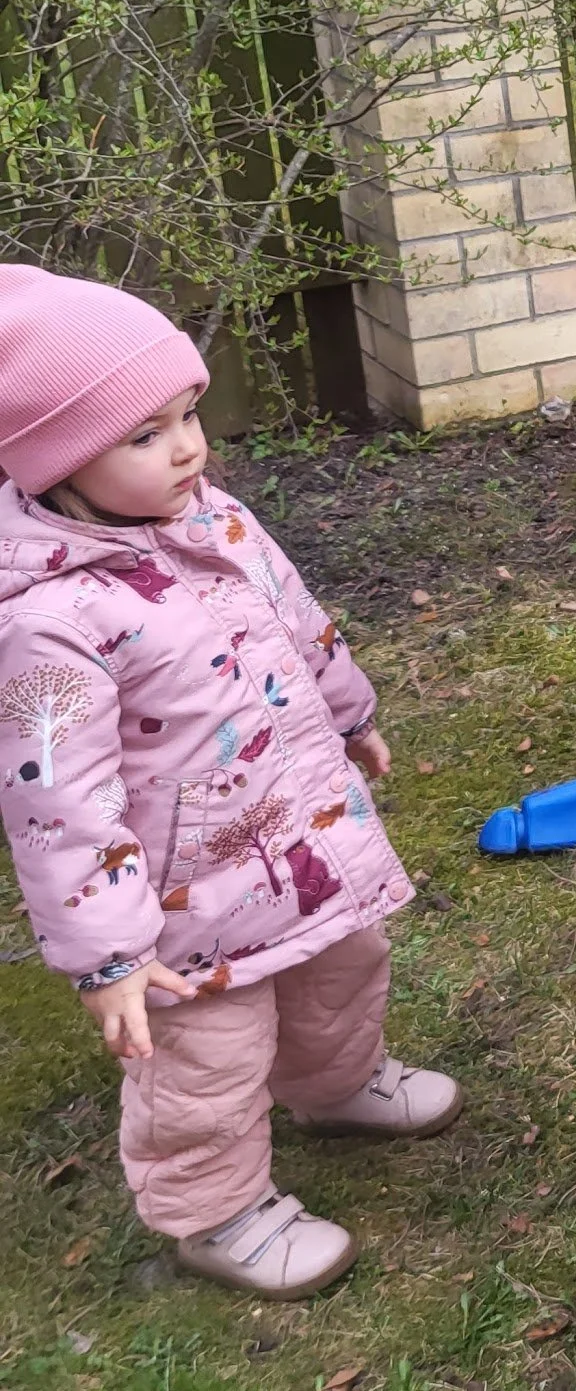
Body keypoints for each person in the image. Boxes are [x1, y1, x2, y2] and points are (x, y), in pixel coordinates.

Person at [0, 267, 461, 1300]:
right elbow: (57, 803)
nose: (188, 446)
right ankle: (213, 1211)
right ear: (57, 460)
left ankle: (336, 1086)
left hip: (298, 831)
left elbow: (294, 617)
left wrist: (351, 712)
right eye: (144, 434)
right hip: (181, 903)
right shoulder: (49, 622)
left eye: (188, 413)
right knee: (203, 1059)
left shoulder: (218, 519)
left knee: (344, 966)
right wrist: (108, 955)